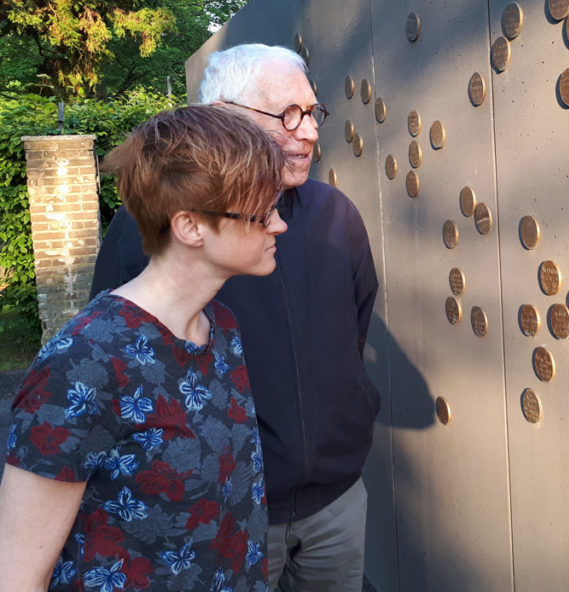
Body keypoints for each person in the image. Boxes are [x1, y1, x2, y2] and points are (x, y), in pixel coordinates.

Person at [90, 44, 381, 592]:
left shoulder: (337, 215)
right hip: (222, 510)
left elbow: (355, 327)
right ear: (224, 117)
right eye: (287, 115)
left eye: (312, 113)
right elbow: (114, 371)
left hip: (337, 498)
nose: (310, 132)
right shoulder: (144, 230)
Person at [0, 105, 287, 591]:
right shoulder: (85, 363)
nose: (279, 225)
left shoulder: (221, 329)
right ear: (190, 227)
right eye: (262, 214)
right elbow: (17, 573)